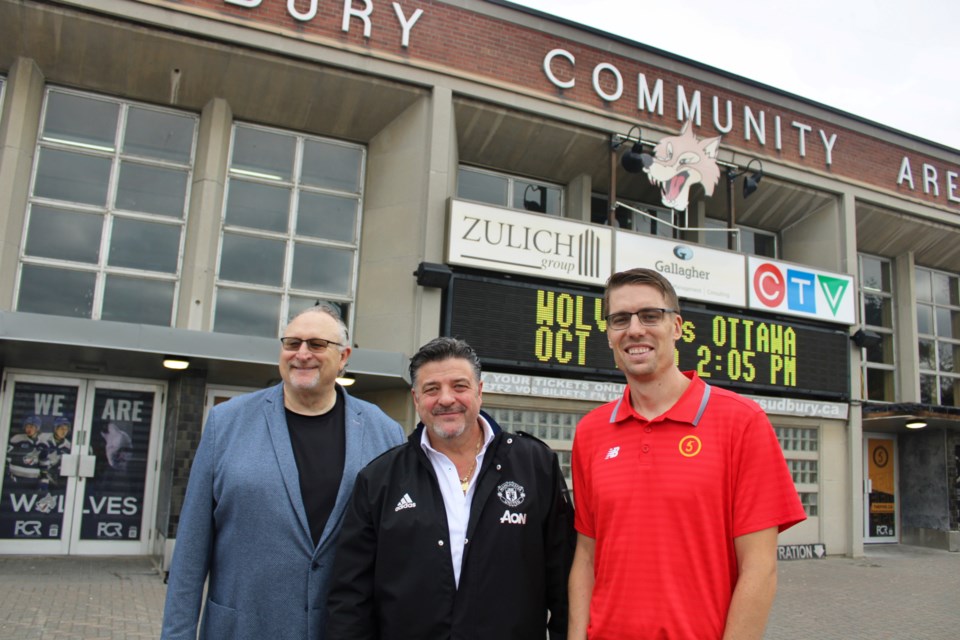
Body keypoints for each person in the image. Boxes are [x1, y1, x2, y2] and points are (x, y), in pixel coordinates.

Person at [568, 268, 807, 640]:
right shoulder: (591, 432)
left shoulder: (742, 422)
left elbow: (760, 568)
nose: (634, 330)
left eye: (650, 315)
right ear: (610, 335)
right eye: (620, 319)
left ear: (676, 326)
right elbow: (586, 557)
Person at [161, 304, 405, 640]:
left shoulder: (384, 432)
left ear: (344, 356)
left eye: (317, 345)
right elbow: (191, 548)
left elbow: (395, 551)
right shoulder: (226, 422)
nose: (302, 354)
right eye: (292, 343)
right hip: (242, 628)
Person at [326, 337, 574, 639]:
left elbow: (565, 584)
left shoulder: (536, 465)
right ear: (416, 399)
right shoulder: (379, 479)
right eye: (432, 389)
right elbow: (351, 597)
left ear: (479, 392)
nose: (446, 399)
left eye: (459, 386)